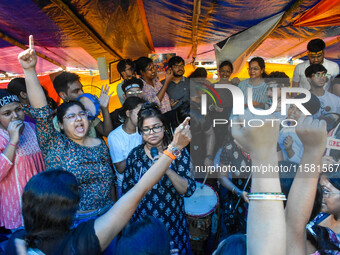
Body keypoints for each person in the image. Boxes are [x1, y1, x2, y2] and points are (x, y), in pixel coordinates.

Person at [5, 122, 190, 255]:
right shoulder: (81, 242)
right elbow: (139, 190)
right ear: (70, 209)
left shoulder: (16, 242)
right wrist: (174, 147)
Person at [18, 36, 115, 226]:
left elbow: (109, 182)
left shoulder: (99, 145)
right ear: (60, 125)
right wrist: (29, 71)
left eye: (82, 114)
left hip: (108, 215)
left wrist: (115, 211)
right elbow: (41, 112)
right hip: (75, 222)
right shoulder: (55, 145)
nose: (79, 118)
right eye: (71, 116)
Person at [122, 102, 196, 255]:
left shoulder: (179, 152)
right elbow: (127, 193)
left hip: (173, 223)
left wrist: (166, 168)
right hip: (144, 225)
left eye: (156, 127)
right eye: (146, 129)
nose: (152, 132)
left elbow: (187, 190)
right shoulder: (134, 156)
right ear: (140, 132)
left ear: (164, 127)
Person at [0, 89, 45, 230]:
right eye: (7, 113)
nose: (15, 116)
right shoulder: (1, 138)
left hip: (42, 201)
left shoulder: (32, 128)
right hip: (18, 208)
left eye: (18, 109)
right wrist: (13, 140)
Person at [52, 71, 113, 137]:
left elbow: (107, 133)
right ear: (63, 95)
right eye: (76, 91)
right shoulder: (57, 121)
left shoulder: (86, 110)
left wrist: (104, 109)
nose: (82, 93)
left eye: (81, 89)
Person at [107, 96, 145, 199]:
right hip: (126, 186)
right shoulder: (115, 136)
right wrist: (142, 150)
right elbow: (120, 168)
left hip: (144, 182)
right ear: (128, 113)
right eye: (139, 113)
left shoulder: (143, 131)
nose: (143, 117)